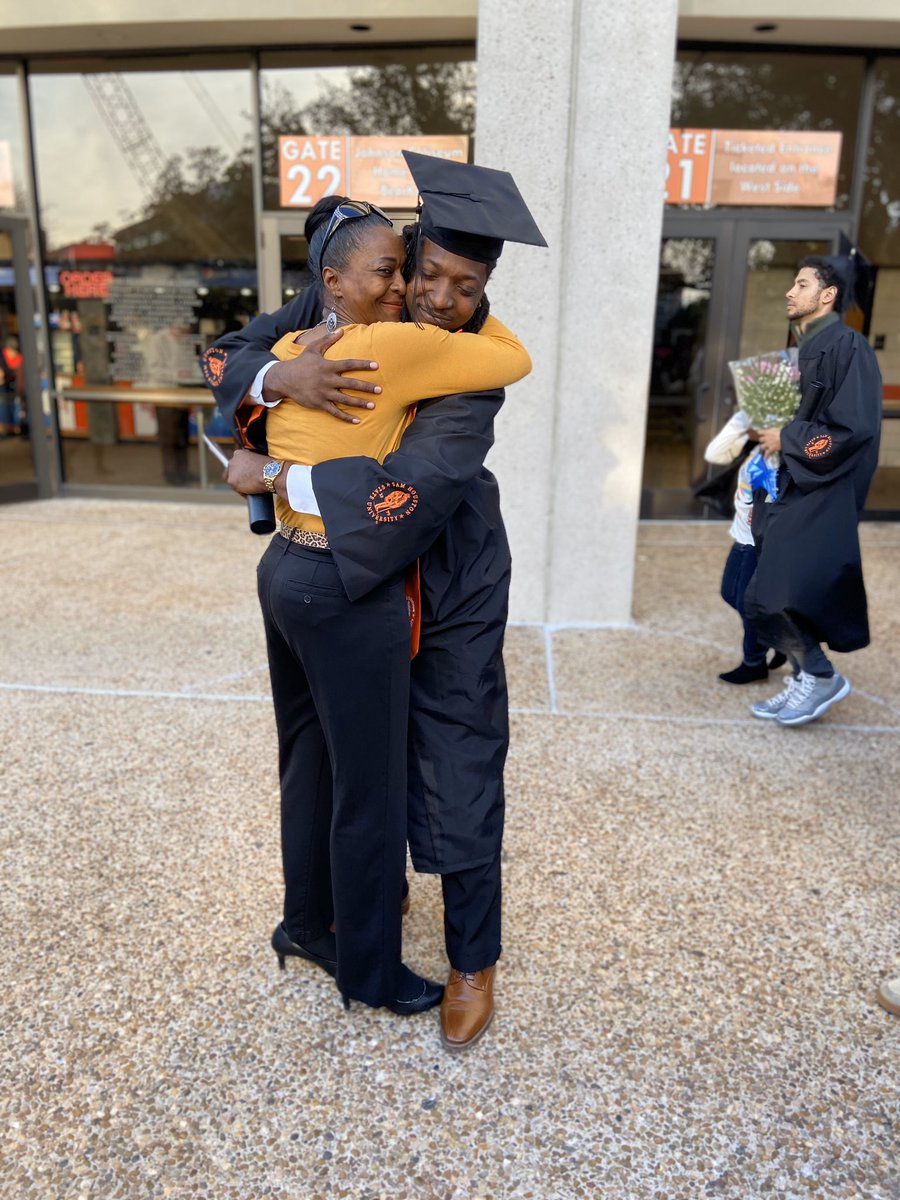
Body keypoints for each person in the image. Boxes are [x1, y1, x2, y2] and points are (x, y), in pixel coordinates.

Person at [205, 152, 547, 1050]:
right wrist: (279, 381)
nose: (436, 295)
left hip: (448, 577)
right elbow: (231, 354)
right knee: (352, 758)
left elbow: (409, 494)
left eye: (462, 285)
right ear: (408, 255)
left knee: (461, 756)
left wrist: (272, 468)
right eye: (424, 271)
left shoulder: (473, 367)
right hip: (355, 579)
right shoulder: (363, 297)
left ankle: (473, 959)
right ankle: (358, 903)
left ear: (484, 289)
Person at [745, 254, 882, 727]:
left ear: (828, 295)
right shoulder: (806, 347)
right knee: (767, 595)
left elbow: (852, 428)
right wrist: (772, 431)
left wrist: (789, 438)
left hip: (823, 490)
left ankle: (819, 676)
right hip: (794, 482)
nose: (789, 291)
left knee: (775, 593)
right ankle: (810, 674)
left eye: (800, 284)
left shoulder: (848, 347)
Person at [703, 412, 786, 684]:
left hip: (762, 542)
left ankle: (754, 661)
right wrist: (743, 417)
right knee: (729, 593)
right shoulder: (753, 449)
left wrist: (782, 438)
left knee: (748, 603)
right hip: (741, 536)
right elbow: (715, 453)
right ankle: (780, 637)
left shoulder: (784, 457)